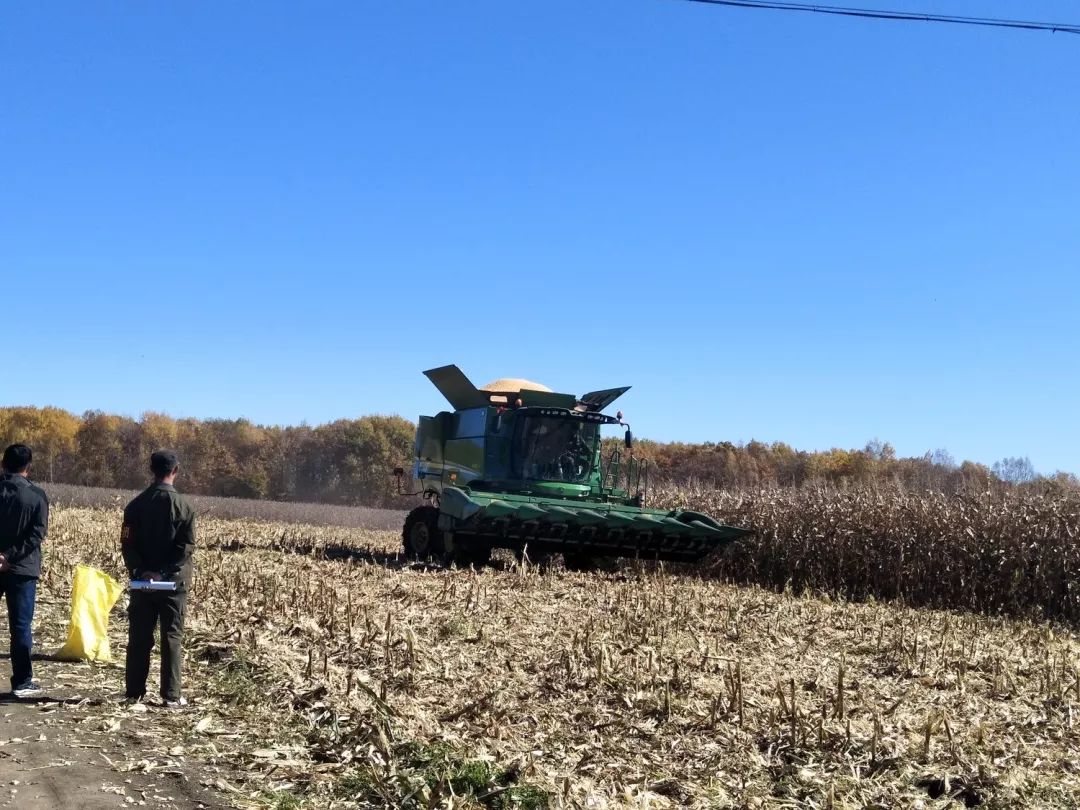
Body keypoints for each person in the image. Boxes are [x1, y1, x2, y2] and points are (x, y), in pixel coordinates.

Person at [121, 450, 196, 708]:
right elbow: (186, 548)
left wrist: (143, 571)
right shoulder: (185, 507)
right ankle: (171, 695)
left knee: (139, 636)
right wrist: (164, 572)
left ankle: (133, 692)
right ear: (175, 471)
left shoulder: (135, 505)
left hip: (142, 584)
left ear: (151, 470)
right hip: (174, 584)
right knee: (172, 637)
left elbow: (127, 544)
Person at [0, 444, 48, 698]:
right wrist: (9, 556)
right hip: (22, 569)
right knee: (20, 626)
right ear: (28, 467)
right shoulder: (36, 495)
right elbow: (37, 533)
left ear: (2, 463)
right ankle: (22, 681)